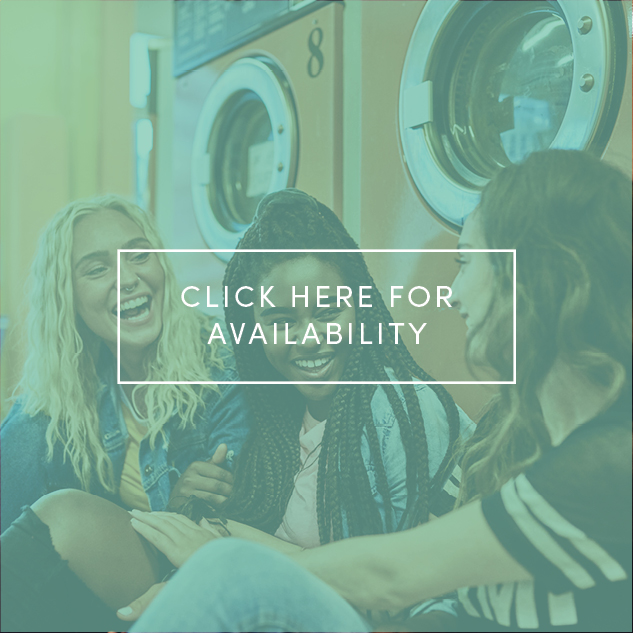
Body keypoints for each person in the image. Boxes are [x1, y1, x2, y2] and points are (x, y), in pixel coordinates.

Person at [127, 150, 632, 633]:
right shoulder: (518, 431)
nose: (453, 292)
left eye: (467, 260)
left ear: (535, 278)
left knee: (221, 574)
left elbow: (397, 575)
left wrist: (222, 558)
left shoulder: (608, 466)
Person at [120, 189, 474, 629]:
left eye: (328, 311)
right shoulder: (277, 408)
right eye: (281, 320)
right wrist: (211, 525)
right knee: (67, 513)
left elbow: (392, 594)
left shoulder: (402, 413)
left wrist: (222, 554)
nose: (308, 337)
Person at [0, 195, 251, 632]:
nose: (128, 277)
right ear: (68, 298)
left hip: (195, 566)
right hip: (110, 583)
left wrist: (178, 515)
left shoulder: (220, 365)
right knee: (29, 426)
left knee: (63, 513)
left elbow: (237, 516)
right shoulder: (74, 389)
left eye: (139, 255)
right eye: (98, 269)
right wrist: (171, 506)